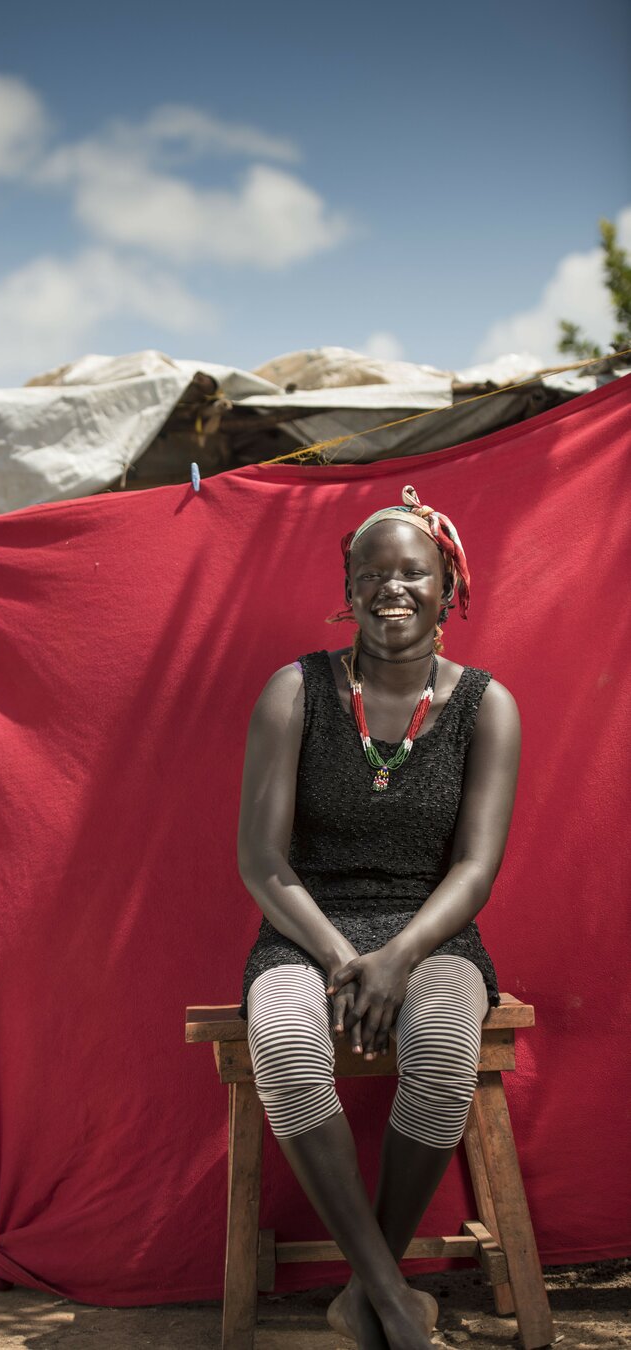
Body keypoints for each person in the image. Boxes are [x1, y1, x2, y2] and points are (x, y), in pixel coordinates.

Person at [237, 485, 521, 1350]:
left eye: (414, 573)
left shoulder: (487, 706)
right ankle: (396, 1304)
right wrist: (338, 957)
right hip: (305, 933)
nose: (392, 588)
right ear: (348, 588)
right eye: (373, 574)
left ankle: (366, 1295)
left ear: (448, 587)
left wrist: (398, 957)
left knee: (442, 1052)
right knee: (286, 1048)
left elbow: (476, 868)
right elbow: (262, 861)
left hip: (433, 934)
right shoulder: (295, 692)